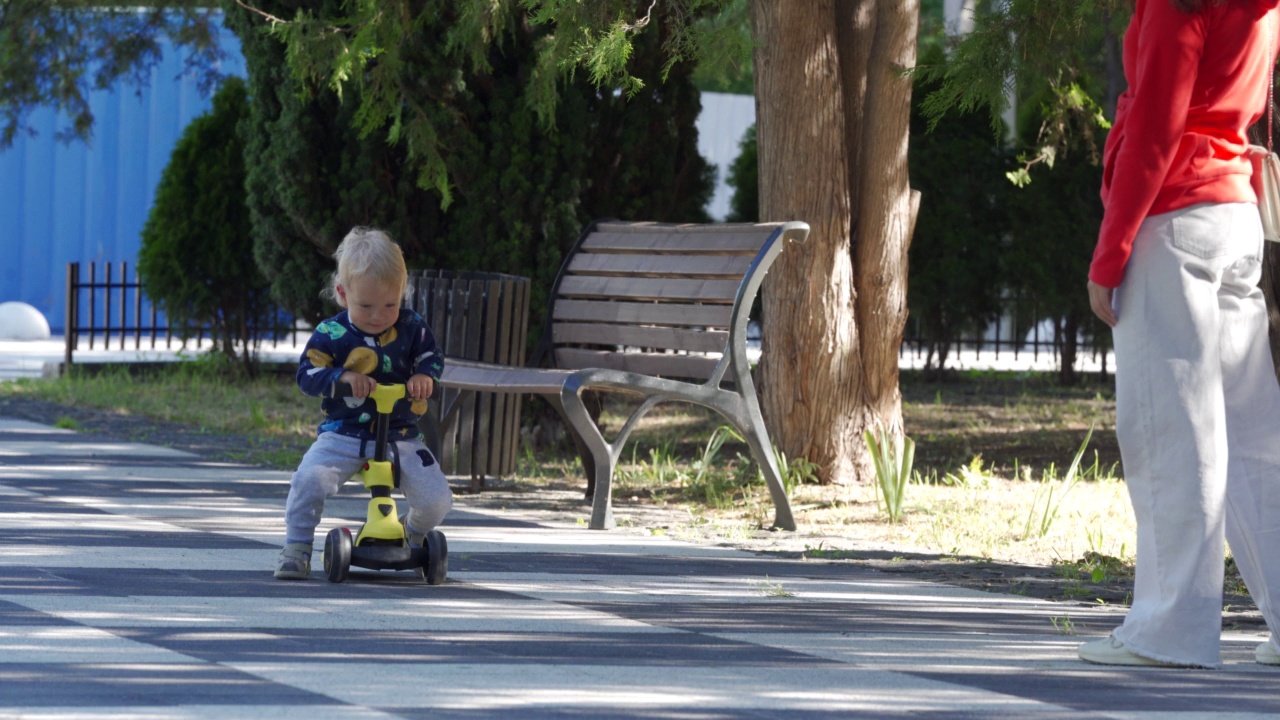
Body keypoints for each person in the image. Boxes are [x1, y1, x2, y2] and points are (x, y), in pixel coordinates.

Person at [1083, 0, 1280, 667]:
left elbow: (1156, 127)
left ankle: (1170, 630)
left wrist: (1110, 255)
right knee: (1256, 441)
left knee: (1173, 432)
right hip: (1234, 212)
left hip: (1175, 222)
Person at [275, 226, 452, 580]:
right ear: (343, 294)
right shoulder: (332, 333)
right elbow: (306, 375)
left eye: (390, 304)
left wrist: (424, 377)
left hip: (402, 434)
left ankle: (412, 532)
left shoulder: (412, 328)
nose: (378, 315)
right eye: (366, 305)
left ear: (403, 292)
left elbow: (432, 357)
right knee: (309, 479)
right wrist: (340, 378)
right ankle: (296, 546)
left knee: (437, 498)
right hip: (344, 433)